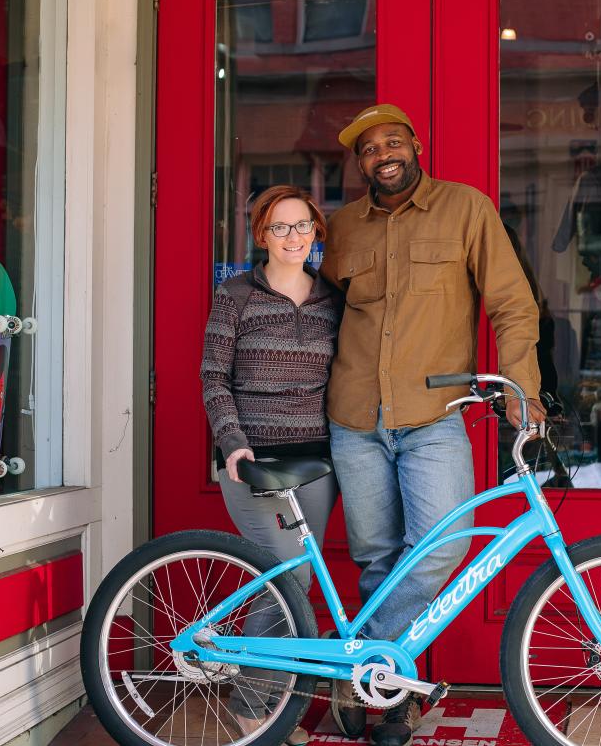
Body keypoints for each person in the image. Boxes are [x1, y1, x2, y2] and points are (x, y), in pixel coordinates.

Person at [321, 104, 545, 746]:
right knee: (376, 560)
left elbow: (511, 304)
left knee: (441, 547)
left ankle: (356, 664)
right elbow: (321, 317)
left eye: (393, 141)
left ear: (417, 144)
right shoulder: (341, 229)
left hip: (433, 419)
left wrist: (520, 394)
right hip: (354, 415)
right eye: (368, 148)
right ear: (360, 162)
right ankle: (389, 699)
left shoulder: (466, 209)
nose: (382, 154)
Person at [200, 185, 342, 746]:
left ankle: (270, 704)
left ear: (316, 233)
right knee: (290, 578)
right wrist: (233, 443)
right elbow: (214, 376)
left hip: (316, 464)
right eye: (280, 227)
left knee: (293, 582)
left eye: (302, 226)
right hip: (252, 462)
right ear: (261, 234)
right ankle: (252, 707)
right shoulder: (236, 294)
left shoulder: (332, 298)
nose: (292, 237)